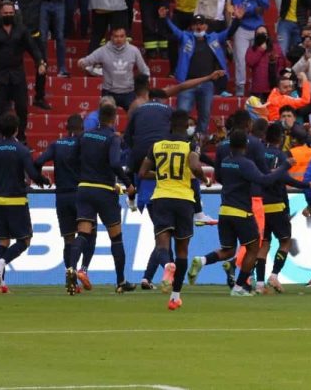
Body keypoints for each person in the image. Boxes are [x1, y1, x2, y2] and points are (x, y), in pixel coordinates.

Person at [188, 129, 292, 296]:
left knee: (228, 250)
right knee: (253, 248)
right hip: (242, 212)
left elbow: (220, 177)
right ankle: (239, 286)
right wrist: (285, 167)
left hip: (224, 210)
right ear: (245, 145)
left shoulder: (226, 162)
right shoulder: (246, 163)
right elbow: (265, 180)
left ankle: (202, 260)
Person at [138, 110, 209, 310]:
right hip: (184, 201)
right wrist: (204, 179)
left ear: (170, 125)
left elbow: (143, 173)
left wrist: (162, 175)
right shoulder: (190, 145)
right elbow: (195, 167)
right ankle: (175, 296)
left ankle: (168, 266)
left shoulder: (156, 146)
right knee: (182, 251)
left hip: (161, 199)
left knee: (162, 246)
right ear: (186, 127)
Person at [0, 113, 50, 293]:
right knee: (24, 240)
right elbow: (32, 174)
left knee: (3, 241)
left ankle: (0, 284)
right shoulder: (21, 150)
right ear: (16, 129)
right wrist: (44, 181)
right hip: (17, 201)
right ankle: (3, 261)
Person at [66, 104, 137, 294]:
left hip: (84, 189)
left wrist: (82, 176)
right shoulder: (113, 138)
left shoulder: (85, 136)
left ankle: (72, 268)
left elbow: (71, 158)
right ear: (114, 119)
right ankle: (121, 281)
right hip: (104, 191)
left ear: (98, 118)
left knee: (83, 234)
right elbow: (115, 162)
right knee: (116, 238)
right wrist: (127, 183)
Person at [0, 0, 46, 144]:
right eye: (6, 13)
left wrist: (40, 62)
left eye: (11, 13)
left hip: (17, 74)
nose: (9, 15)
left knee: (22, 108)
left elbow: (32, 47)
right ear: (0, 13)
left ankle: (21, 138)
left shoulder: (21, 30)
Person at [256, 123, 311, 294]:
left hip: (260, 205)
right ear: (281, 138)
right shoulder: (281, 156)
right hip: (277, 204)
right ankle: (274, 275)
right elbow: (285, 179)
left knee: (264, 244)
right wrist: (307, 185)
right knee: (285, 242)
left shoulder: (258, 153)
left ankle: (260, 284)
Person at [34, 114, 87, 290]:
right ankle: (81, 269)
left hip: (61, 196)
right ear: (82, 128)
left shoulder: (57, 145)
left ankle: (69, 274)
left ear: (67, 128)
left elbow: (38, 161)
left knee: (68, 238)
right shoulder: (82, 143)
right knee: (86, 234)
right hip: (80, 195)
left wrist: (40, 178)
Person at [167, 9, 240, 129]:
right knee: (181, 115)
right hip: (187, 84)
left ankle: (200, 144)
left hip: (207, 84)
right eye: (196, 24)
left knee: (204, 117)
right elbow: (173, 30)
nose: (198, 26)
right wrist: (165, 19)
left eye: (201, 24)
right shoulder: (185, 37)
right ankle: (180, 141)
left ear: (206, 26)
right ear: (192, 26)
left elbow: (229, 32)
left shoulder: (214, 38)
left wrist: (238, 20)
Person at [77, 26, 150, 111]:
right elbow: (86, 61)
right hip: (109, 92)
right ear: (111, 37)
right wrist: (81, 62)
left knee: (137, 115)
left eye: (122, 36)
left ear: (126, 37)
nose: (119, 39)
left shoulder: (134, 51)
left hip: (128, 92)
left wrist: (145, 86)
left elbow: (144, 70)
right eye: (116, 36)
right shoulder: (102, 51)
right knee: (104, 118)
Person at [11, 0, 51, 110]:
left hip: (35, 35)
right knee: (12, 66)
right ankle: (12, 97)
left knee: (43, 64)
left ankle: (39, 97)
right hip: (18, 37)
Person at [231, 0, 269, 97]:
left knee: (259, 59)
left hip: (258, 28)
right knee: (240, 59)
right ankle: (240, 86)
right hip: (242, 28)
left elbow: (266, 5)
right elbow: (239, 10)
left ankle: (257, 87)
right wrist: (253, 9)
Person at [245, 25, 288, 99]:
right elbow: (250, 62)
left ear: (268, 35)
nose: (261, 36)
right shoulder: (252, 49)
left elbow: (282, 64)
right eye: (259, 34)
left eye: (263, 34)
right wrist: (261, 50)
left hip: (273, 89)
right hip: (258, 90)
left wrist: (277, 77)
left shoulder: (275, 47)